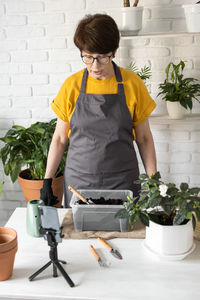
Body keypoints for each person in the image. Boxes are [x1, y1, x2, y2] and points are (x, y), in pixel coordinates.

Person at [40, 13, 157, 207]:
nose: (95, 66)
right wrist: (47, 180)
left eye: (102, 57)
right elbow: (60, 138)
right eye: (87, 57)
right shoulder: (72, 86)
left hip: (123, 181)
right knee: (82, 234)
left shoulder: (132, 84)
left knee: (125, 234)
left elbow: (144, 139)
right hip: (80, 182)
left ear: (114, 51)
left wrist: (153, 182)